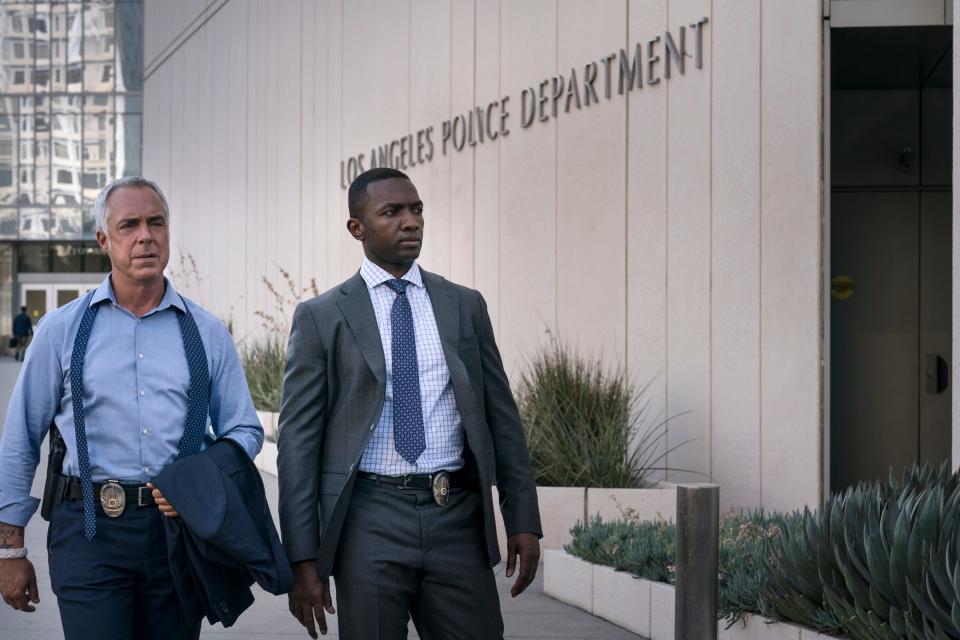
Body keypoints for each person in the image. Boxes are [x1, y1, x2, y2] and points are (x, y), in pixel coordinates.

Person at [278, 167, 542, 639]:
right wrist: (303, 559)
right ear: (357, 228)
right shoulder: (322, 317)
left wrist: (522, 518)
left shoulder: (464, 305)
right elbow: (297, 445)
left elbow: (502, 418)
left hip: (455, 516)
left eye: (416, 209)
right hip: (369, 521)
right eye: (392, 212)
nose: (410, 221)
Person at [0, 177, 264, 640]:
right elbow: (20, 438)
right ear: (104, 239)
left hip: (178, 536)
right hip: (87, 532)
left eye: (156, 222)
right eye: (129, 225)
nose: (146, 235)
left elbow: (244, 428)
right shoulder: (60, 331)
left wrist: (197, 476)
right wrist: (9, 551)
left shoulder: (207, 332)